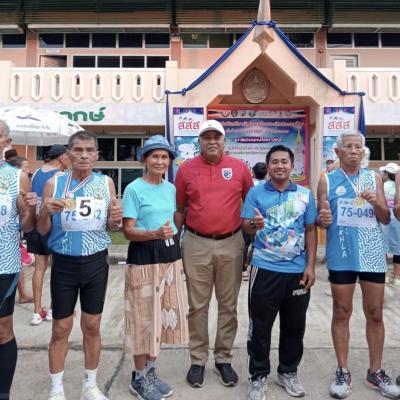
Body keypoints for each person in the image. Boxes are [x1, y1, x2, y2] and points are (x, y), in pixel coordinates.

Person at [37, 130, 122, 400]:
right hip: (64, 263)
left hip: (96, 262)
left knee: (92, 325)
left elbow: (111, 226)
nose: (84, 155)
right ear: (68, 154)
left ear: (97, 155)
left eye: (89, 150)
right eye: (78, 150)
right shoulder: (54, 183)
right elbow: (42, 230)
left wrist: (116, 219)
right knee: (60, 328)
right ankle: (56, 389)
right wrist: (44, 211)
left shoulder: (106, 183)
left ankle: (90, 385)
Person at [317, 131, 400, 399]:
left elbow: (385, 218)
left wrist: (376, 202)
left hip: (372, 253)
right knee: (341, 311)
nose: (354, 151)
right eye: (348, 147)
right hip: (342, 253)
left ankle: (375, 372)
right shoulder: (326, 179)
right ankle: (343, 370)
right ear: (337, 151)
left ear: (363, 152)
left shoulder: (373, 178)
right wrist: (322, 220)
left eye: (358, 147)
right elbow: (321, 219)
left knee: (375, 312)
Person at [175, 119, 253, 388]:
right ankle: (197, 360)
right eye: (206, 137)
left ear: (224, 140)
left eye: (216, 137)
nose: (211, 141)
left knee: (228, 305)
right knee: (197, 305)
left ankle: (223, 358)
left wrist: (252, 241)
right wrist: (173, 245)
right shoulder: (186, 170)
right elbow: (179, 209)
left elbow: (250, 206)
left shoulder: (240, 168)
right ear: (199, 141)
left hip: (232, 242)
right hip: (195, 243)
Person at [241, 145, 317, 400]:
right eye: (275, 162)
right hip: (264, 269)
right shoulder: (256, 193)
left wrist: (310, 266)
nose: (280, 165)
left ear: (292, 166)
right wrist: (254, 224)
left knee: (294, 327)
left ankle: (288, 372)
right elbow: (246, 226)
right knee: (260, 327)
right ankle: (258, 376)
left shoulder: (305, 195)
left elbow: (310, 230)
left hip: (297, 272)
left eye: (284, 161)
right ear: (268, 166)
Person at [122, 135, 189, 400]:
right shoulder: (134, 189)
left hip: (170, 255)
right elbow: (128, 231)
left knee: (161, 317)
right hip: (144, 256)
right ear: (144, 160)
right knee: (143, 318)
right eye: (155, 156)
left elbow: (173, 220)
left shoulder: (170, 188)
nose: (160, 161)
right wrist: (154, 234)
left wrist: (167, 236)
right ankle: (139, 376)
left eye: (164, 157)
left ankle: (150, 371)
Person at [0, 120, 37, 400]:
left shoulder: (17, 177)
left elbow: (26, 226)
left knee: (2, 331)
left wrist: (30, 211)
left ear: (6, 141)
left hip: (4, 263)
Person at [27, 144, 69, 325]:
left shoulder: (36, 172)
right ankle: (53, 310)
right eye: (68, 156)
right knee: (57, 268)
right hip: (53, 225)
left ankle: (36, 311)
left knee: (39, 268)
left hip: (36, 223)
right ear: (61, 157)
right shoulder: (60, 176)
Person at [6, 155, 34, 304]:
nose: (28, 171)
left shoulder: (23, 184)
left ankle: (22, 293)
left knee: (17, 260)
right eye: (25, 167)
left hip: (15, 232)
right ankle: (22, 293)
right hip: (9, 236)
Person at [379, 163, 400, 285]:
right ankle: (397, 277)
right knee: (398, 248)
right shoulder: (398, 187)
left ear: (387, 174)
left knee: (383, 247)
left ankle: (385, 275)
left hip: (384, 217)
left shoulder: (382, 186)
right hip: (397, 219)